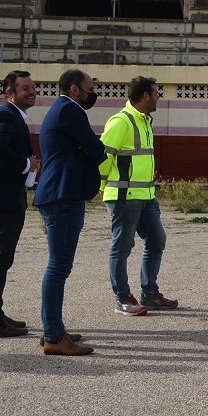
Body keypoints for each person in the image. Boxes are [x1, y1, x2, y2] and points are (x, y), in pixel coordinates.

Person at [34, 69, 107, 356]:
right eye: (90, 89)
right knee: (59, 266)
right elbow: (97, 150)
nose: (94, 94)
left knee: (58, 266)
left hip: (60, 194)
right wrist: (87, 148)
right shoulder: (71, 111)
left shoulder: (61, 110)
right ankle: (53, 335)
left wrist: (85, 148)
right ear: (76, 89)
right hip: (63, 196)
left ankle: (53, 328)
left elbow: (88, 148)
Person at [100, 76, 178, 316]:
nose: (158, 98)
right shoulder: (121, 122)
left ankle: (150, 294)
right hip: (124, 196)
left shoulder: (145, 121)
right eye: (156, 93)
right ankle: (122, 298)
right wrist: (103, 187)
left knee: (157, 240)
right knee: (122, 247)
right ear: (145, 95)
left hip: (146, 196)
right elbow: (101, 158)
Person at [0, 70, 41, 338]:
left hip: (6, 194)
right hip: (3, 197)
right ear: (10, 93)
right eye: (25, 88)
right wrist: (27, 164)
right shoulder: (6, 115)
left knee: (1, 257)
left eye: (33, 87)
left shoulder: (14, 116)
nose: (31, 91)